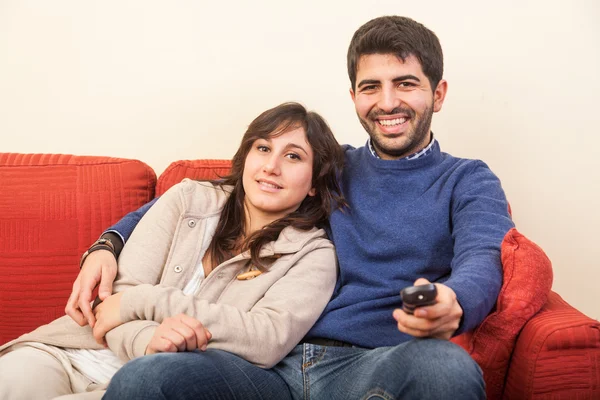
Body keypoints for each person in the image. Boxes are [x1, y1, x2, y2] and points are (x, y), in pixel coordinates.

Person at [81, 16, 514, 400]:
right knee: (149, 378)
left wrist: (454, 301)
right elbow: (210, 195)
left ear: (437, 94)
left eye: (405, 83)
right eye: (371, 87)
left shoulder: (467, 179)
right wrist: (108, 243)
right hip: (268, 365)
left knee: (446, 367)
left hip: (375, 365)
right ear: (353, 98)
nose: (386, 102)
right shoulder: (325, 165)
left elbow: (484, 259)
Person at [0, 102, 345, 400]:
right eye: (263, 148)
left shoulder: (312, 255)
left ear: (315, 182)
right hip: (74, 351)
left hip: (153, 383)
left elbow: (266, 338)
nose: (272, 166)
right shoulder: (186, 199)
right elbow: (113, 302)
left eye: (293, 156)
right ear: (246, 155)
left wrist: (141, 306)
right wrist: (150, 340)